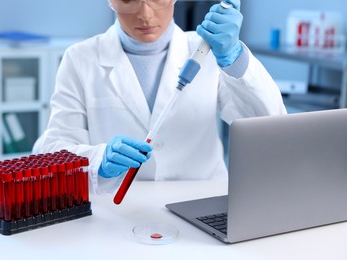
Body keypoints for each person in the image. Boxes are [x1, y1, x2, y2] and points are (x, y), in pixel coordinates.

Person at [33, 0, 286, 194]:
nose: (145, 14)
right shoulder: (80, 58)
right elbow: (52, 150)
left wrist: (235, 60)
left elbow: (270, 126)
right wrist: (98, 160)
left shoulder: (209, 51)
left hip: (203, 201)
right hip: (119, 210)